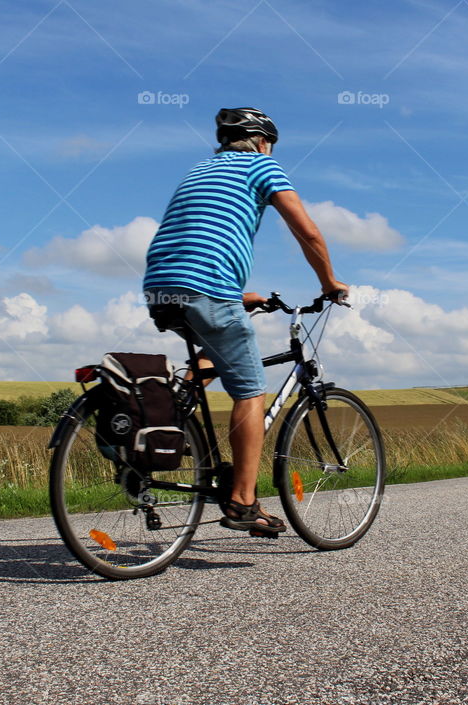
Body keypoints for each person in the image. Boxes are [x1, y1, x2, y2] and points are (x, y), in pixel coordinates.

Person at [142, 107, 348, 536]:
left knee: (213, 354)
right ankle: (243, 502)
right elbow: (307, 232)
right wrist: (329, 283)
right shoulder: (262, 165)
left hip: (162, 284)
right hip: (206, 286)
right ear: (262, 141)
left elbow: (193, 237)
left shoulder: (201, 169)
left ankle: (173, 407)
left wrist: (239, 295)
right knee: (251, 392)